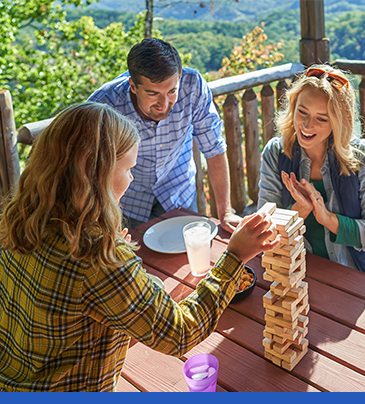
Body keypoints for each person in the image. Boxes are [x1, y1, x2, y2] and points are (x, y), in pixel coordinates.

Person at [0, 102, 279, 392]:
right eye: (129, 168)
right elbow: (180, 333)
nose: (131, 179)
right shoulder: (96, 257)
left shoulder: (21, 221)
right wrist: (234, 256)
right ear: (99, 175)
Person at [87, 38, 241, 232]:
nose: (164, 103)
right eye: (153, 94)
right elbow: (87, 170)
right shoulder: (104, 105)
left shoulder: (192, 85)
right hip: (125, 204)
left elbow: (214, 148)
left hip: (179, 193)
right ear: (133, 86)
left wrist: (225, 211)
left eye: (172, 91)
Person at [258, 64, 365, 281]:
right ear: (293, 107)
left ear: (339, 122)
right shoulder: (275, 152)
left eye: (322, 118)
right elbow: (264, 229)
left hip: (355, 275)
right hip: (295, 273)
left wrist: (328, 219)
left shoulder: (363, 156)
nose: (307, 125)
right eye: (302, 112)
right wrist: (298, 210)